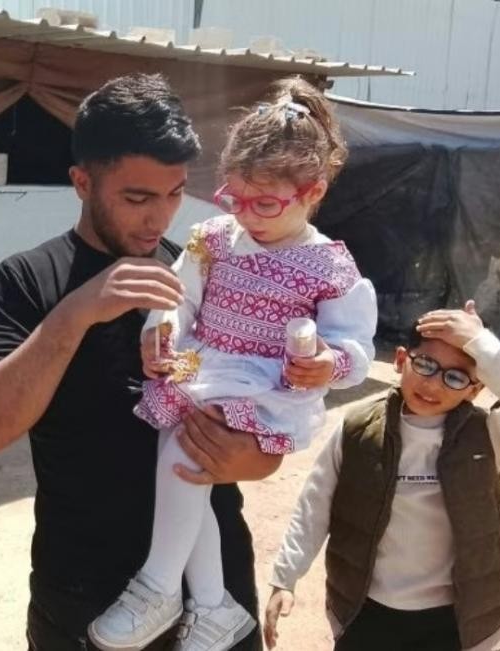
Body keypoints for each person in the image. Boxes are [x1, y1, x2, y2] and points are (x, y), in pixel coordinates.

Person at [0, 73, 279, 651]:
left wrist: (255, 459)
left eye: (174, 194)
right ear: (82, 182)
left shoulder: (199, 275)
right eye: (137, 198)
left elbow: (260, 400)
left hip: (211, 596)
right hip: (88, 593)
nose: (159, 219)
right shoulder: (28, 280)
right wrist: (75, 313)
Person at [90, 77, 378, 651]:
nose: (247, 215)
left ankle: (159, 585)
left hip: (263, 387)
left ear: (313, 192)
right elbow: (179, 296)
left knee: (183, 459)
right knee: (186, 473)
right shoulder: (214, 238)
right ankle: (211, 603)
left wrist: (328, 362)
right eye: (235, 198)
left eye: (264, 204)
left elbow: (355, 347)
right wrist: (160, 331)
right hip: (201, 368)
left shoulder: (329, 266)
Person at [263, 301, 500, 651]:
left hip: (455, 619)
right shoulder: (359, 429)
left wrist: (482, 344)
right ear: (401, 359)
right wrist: (286, 577)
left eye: (455, 377)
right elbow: (314, 505)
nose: (433, 384)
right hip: (366, 610)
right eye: (425, 364)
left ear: (475, 388)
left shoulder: (489, 434)